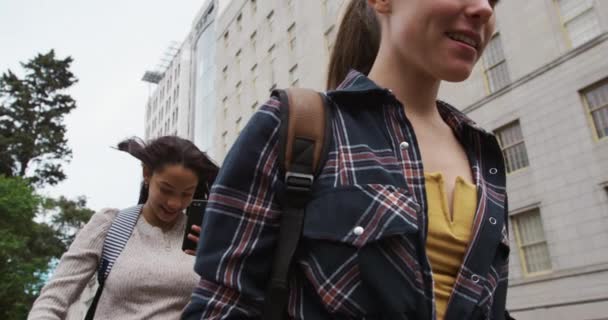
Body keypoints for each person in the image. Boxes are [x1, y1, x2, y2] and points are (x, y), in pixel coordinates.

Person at [183, 0, 510, 319]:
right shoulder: (295, 127)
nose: (484, 9)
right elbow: (224, 304)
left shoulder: (483, 153)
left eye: (494, 1)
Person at [29, 136, 218, 320]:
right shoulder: (110, 224)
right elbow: (53, 299)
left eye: (186, 194)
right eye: (166, 189)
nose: (174, 203)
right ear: (147, 174)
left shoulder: (203, 238)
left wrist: (213, 262)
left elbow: (224, 303)